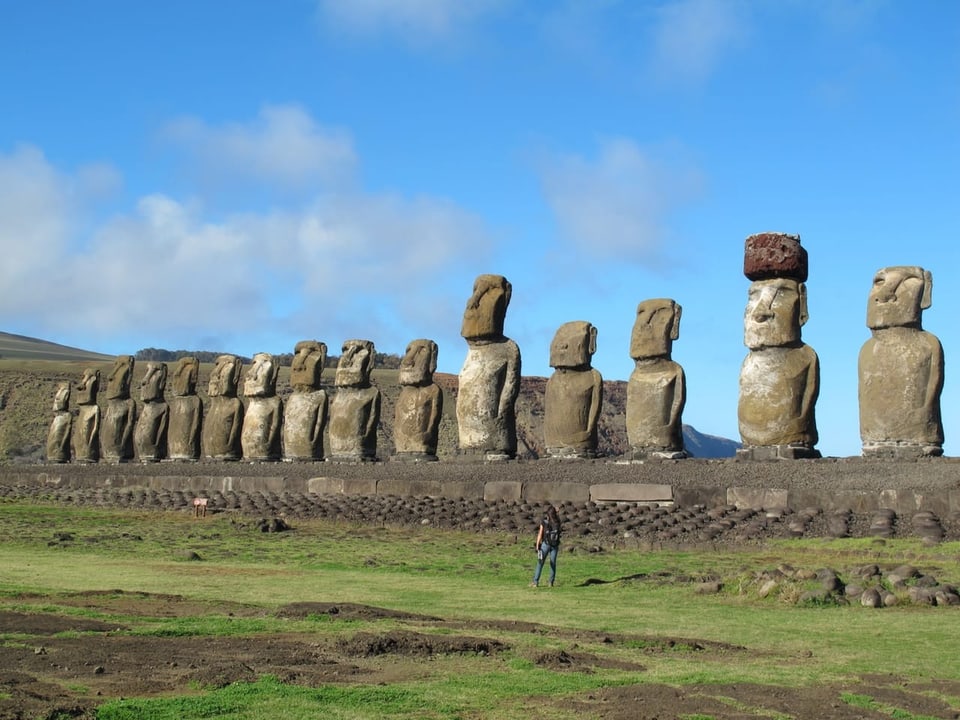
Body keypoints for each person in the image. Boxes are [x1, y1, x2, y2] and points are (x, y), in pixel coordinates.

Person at [531, 505, 562, 587]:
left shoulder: (544, 522)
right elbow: (557, 516)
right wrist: (557, 512)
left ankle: (535, 582)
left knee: (540, 563)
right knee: (553, 563)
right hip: (555, 545)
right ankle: (550, 582)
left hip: (546, 544)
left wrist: (537, 545)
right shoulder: (558, 522)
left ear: (548, 514)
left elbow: (540, 534)